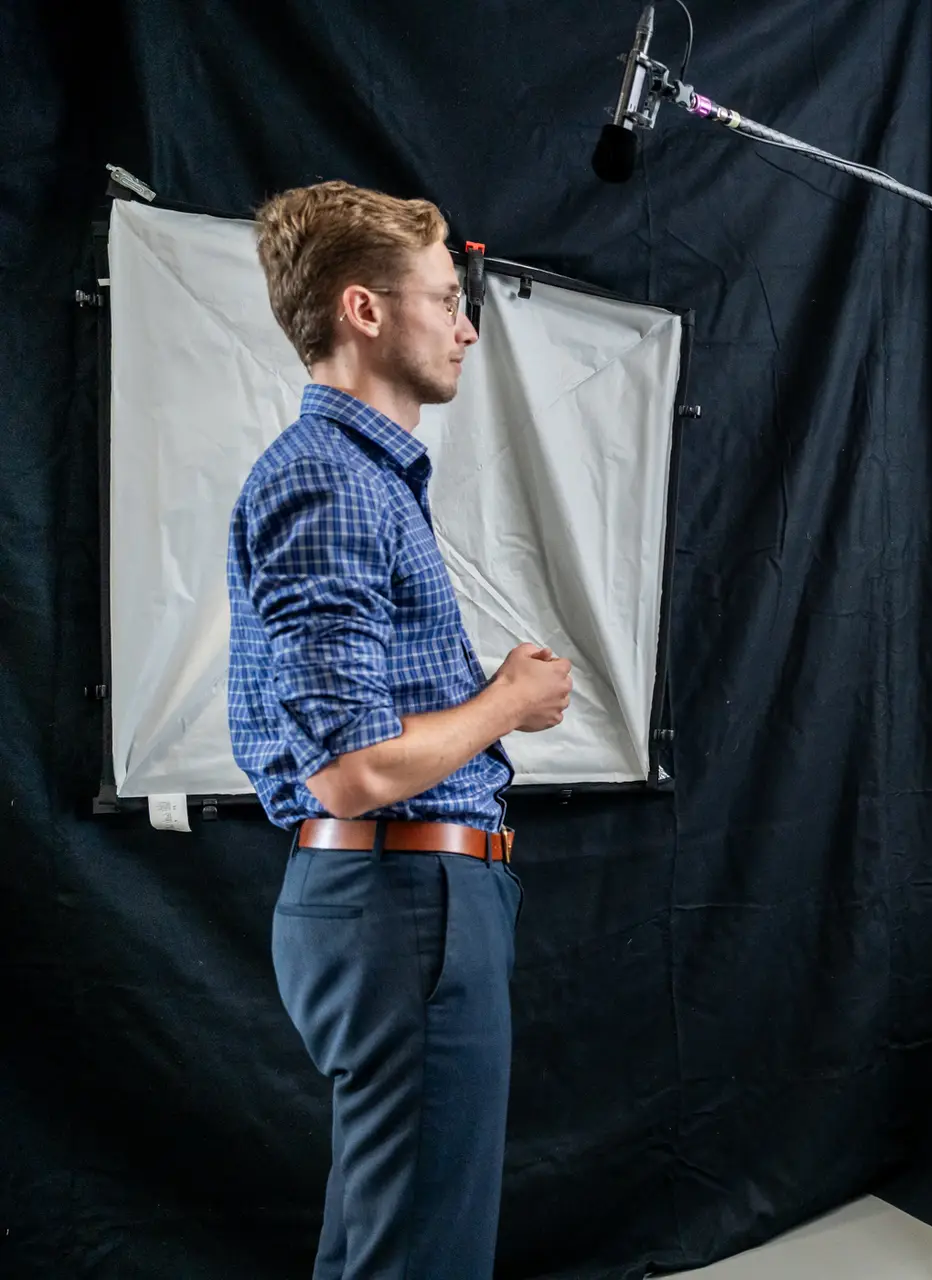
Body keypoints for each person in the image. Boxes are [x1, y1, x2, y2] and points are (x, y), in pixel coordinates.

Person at [228, 181, 574, 1279]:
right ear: (364, 310)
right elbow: (354, 768)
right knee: (418, 1257)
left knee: (388, 1239)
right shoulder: (332, 481)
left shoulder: (359, 478)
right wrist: (508, 701)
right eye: (446, 297)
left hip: (401, 904)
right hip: (404, 903)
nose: (467, 325)